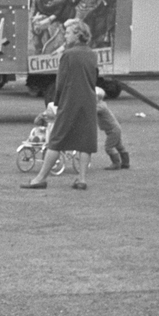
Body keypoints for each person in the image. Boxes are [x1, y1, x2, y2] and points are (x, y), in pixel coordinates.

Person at [21, 18, 98, 190]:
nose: (65, 36)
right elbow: (93, 79)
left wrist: (55, 103)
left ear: (78, 35)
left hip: (70, 101)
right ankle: (82, 179)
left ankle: (40, 178)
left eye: (68, 33)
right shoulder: (92, 54)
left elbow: (60, 83)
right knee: (86, 141)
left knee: (56, 140)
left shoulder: (68, 55)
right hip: (88, 101)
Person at [95, 86, 129, 169]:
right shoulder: (101, 104)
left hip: (113, 130)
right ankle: (125, 163)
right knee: (119, 146)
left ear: (97, 98)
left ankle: (116, 163)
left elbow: (91, 111)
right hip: (114, 129)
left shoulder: (100, 107)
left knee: (109, 147)